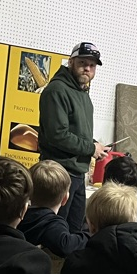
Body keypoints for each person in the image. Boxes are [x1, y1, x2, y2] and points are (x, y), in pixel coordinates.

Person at [38, 41, 108, 232]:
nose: (87, 68)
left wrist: (95, 146)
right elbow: (57, 135)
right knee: (55, 232)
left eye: (92, 65)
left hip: (77, 173)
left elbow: (74, 132)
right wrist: (91, 149)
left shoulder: (82, 92)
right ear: (71, 62)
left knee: (74, 230)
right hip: (60, 173)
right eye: (83, 63)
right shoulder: (57, 90)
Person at [18, 159, 89, 257]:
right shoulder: (51, 223)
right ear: (65, 199)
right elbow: (66, 246)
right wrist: (90, 235)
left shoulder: (20, 213)